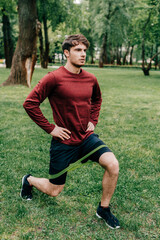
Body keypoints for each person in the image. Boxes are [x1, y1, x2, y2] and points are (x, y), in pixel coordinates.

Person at [21, 34, 120, 229]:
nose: (83, 54)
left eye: (84, 50)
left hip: (86, 138)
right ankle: (29, 180)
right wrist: (51, 128)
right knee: (54, 190)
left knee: (113, 165)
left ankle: (104, 209)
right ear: (66, 53)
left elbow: (97, 99)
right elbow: (30, 104)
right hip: (64, 142)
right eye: (77, 50)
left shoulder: (91, 79)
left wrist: (93, 120)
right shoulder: (54, 78)